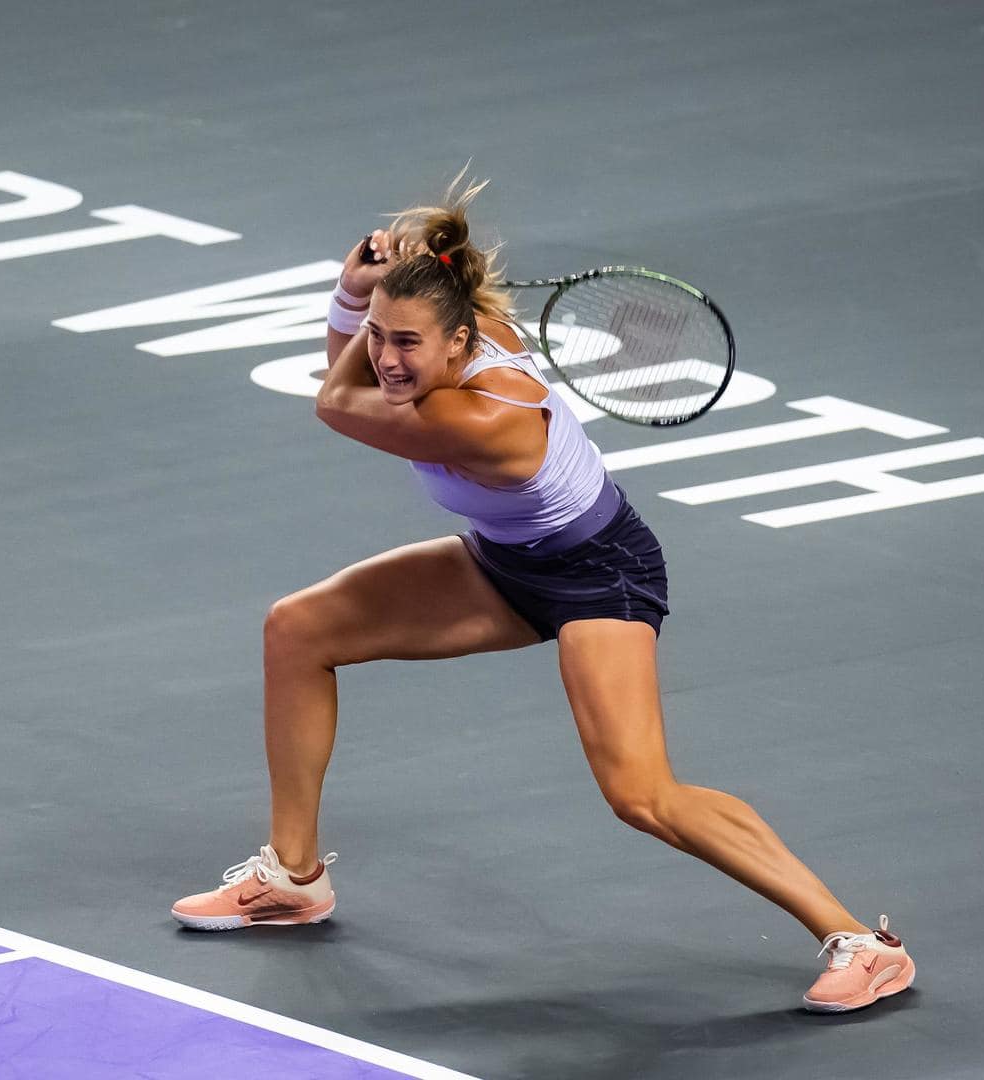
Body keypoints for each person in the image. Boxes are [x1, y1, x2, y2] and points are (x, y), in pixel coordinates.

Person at [169, 177, 915, 1013]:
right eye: (381, 337)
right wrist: (363, 301)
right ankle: (293, 877)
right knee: (298, 629)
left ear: (460, 342)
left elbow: (337, 398)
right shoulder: (455, 341)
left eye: (407, 342)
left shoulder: (486, 419)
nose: (388, 358)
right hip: (505, 563)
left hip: (601, 574)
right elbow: (355, 372)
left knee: (642, 796)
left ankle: (861, 943)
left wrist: (355, 301)